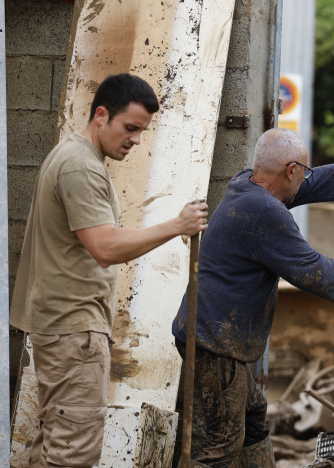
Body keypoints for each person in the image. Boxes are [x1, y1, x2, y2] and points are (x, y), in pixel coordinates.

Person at [171, 127, 334, 467]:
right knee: (223, 444)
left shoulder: (246, 183)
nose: (305, 179)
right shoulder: (265, 212)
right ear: (291, 170)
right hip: (214, 341)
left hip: (206, 330)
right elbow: (316, 273)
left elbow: (317, 182)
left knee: (252, 417)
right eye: (303, 171)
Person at [10, 73, 209, 468]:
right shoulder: (80, 167)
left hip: (64, 325)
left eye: (141, 131)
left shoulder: (75, 156)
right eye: (130, 128)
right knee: (72, 453)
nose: (135, 139)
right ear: (101, 115)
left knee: (54, 445)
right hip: (72, 329)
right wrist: (177, 225)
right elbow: (104, 246)